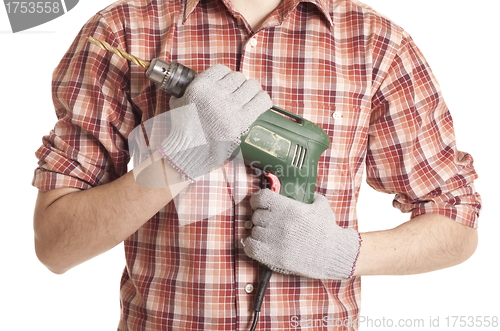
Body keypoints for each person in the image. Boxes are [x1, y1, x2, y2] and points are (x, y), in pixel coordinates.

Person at [32, 0, 481, 330]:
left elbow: (455, 224)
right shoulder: (124, 30)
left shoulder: (377, 46)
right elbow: (56, 246)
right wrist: (179, 158)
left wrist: (340, 253)